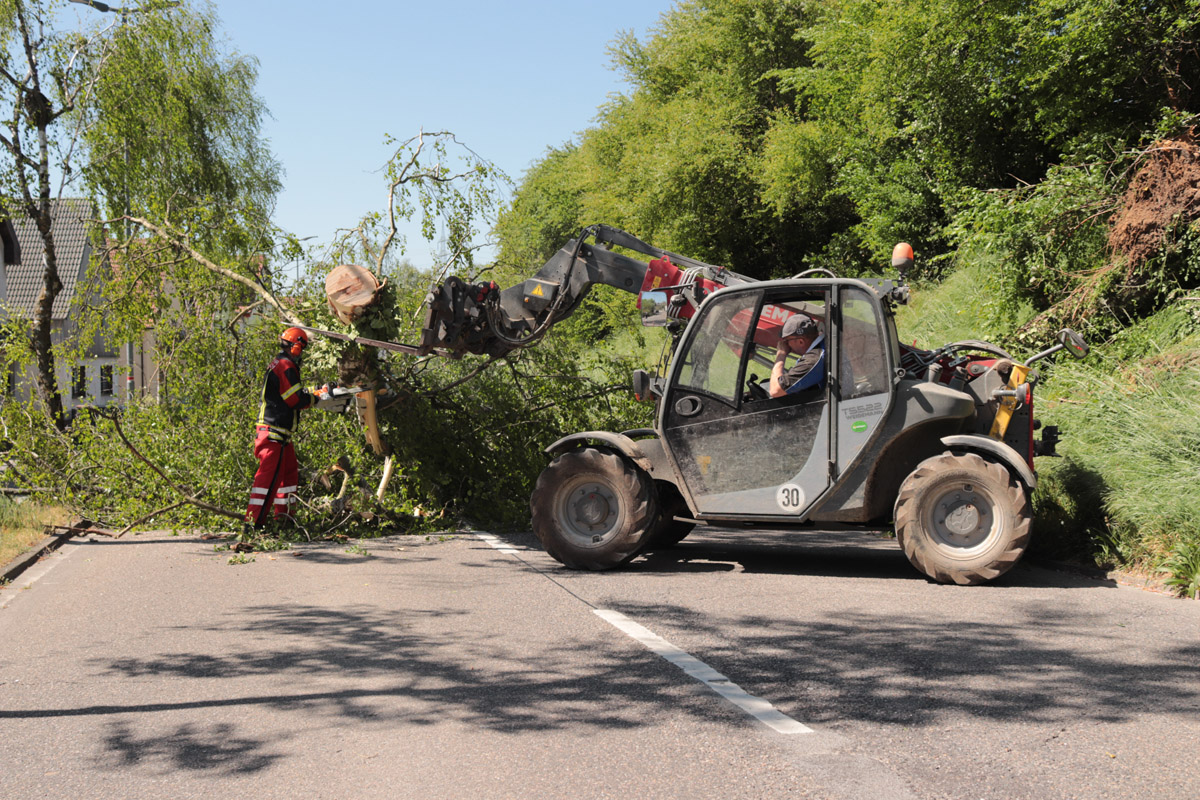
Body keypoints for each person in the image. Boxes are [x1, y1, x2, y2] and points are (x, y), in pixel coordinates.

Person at [245, 327, 331, 529]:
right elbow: (294, 399)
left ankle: (284, 520)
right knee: (268, 480)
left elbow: (293, 392)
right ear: (297, 347)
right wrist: (316, 399)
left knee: (289, 476)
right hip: (273, 433)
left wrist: (317, 391)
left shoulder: (282, 363)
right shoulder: (285, 365)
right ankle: (253, 524)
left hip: (281, 435)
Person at [769, 314, 825, 398]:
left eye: (787, 340)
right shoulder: (824, 343)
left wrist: (781, 354)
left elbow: (775, 390)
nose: (785, 344)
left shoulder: (813, 359)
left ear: (801, 342)